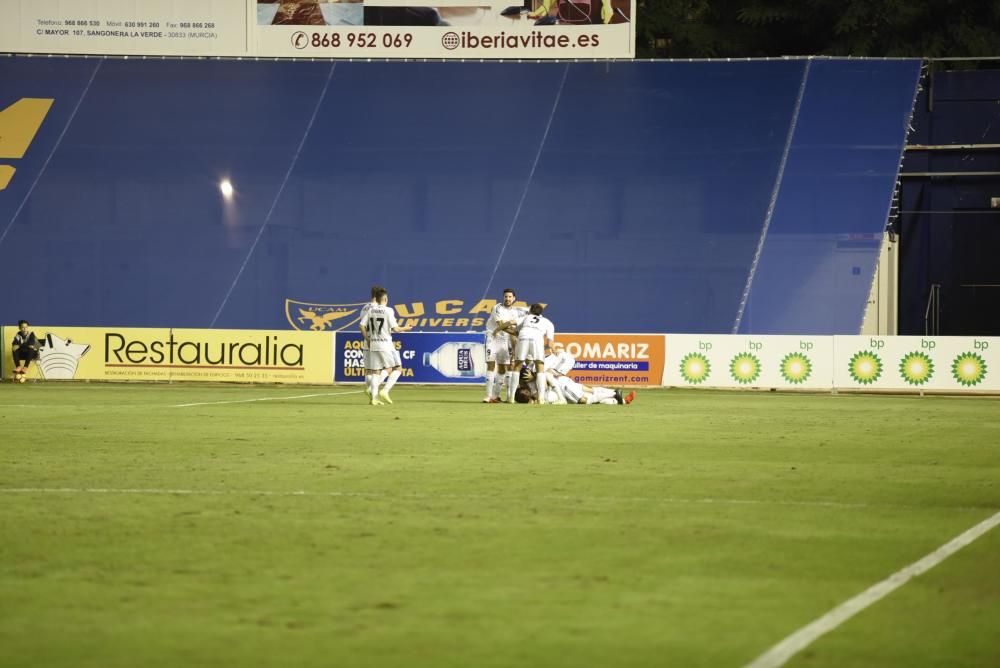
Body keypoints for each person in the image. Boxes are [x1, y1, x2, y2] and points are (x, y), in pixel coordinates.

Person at [360, 288, 410, 405]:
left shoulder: (369, 310)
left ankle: (374, 398)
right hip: (385, 345)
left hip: (373, 344)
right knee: (396, 368)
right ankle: (384, 391)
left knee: (375, 372)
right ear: (385, 299)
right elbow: (395, 329)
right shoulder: (389, 311)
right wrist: (406, 328)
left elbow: (361, 325)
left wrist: (368, 339)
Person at [483, 288, 527, 403]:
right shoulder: (497, 308)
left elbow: (512, 328)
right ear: (503, 297)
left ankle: (495, 396)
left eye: (509, 297)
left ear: (514, 298)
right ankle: (488, 396)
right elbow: (501, 325)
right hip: (493, 338)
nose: (507, 299)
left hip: (504, 340)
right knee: (491, 364)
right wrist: (518, 333)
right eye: (506, 296)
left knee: (503, 368)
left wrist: (515, 338)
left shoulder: (515, 312)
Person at [507, 303, 555, 404]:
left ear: (530, 310)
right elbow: (550, 344)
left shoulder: (526, 317)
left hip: (523, 338)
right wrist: (543, 348)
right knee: (540, 368)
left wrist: (500, 328)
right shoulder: (548, 322)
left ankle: (511, 397)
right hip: (537, 341)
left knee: (517, 367)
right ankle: (541, 399)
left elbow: (514, 328)